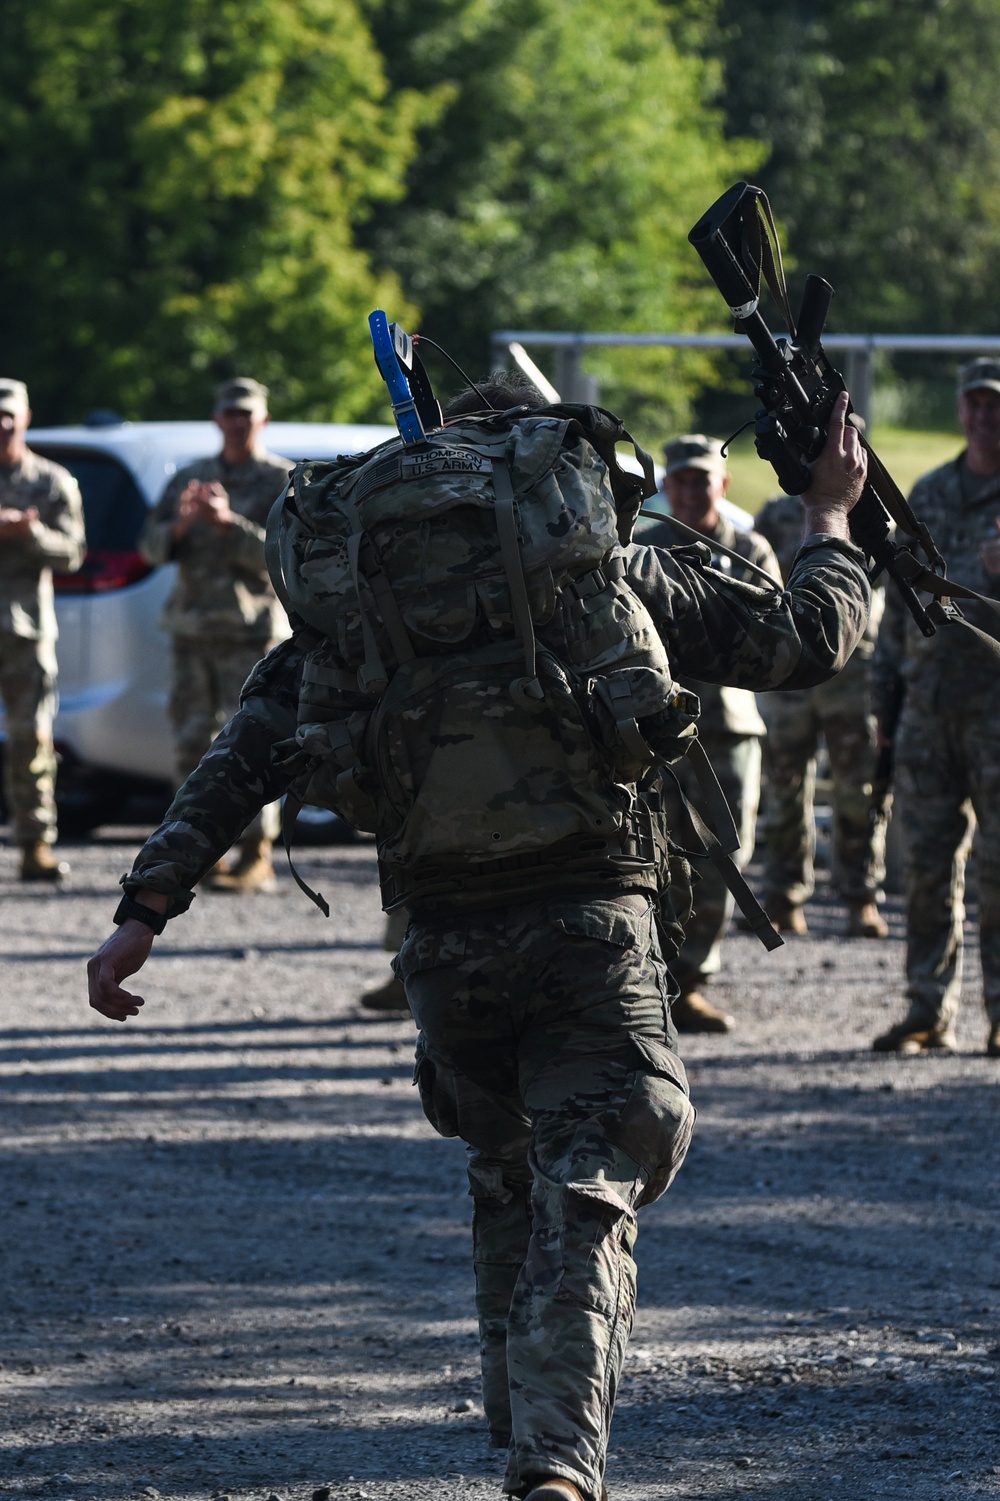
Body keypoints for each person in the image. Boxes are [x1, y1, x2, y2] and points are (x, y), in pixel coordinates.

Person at [88, 388, 870, 1501]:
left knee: (505, 1163)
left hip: (440, 936)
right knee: (594, 1175)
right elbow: (807, 641)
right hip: (588, 920)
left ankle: (518, 1417)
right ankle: (554, 1461)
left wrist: (142, 911)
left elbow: (246, 748)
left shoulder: (364, 593)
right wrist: (830, 514)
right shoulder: (598, 569)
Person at [872, 357, 1000, 1058]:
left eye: (995, 405)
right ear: (960, 411)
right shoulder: (927, 493)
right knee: (925, 868)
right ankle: (927, 1008)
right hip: (927, 711)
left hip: (996, 714)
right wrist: (884, 712)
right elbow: (897, 613)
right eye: (975, 404)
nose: (984, 416)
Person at [640, 435, 779, 1032]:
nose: (692, 490)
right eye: (682, 481)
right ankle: (649, 981)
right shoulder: (641, 552)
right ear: (666, 487)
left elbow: (772, 628)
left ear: (722, 486)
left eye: (703, 480)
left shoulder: (748, 549)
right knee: (651, 856)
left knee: (722, 856)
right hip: (657, 732)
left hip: (727, 726)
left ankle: (692, 982)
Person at [138, 377, 292, 893]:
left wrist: (230, 524)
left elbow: (286, 554)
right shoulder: (191, 477)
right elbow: (150, 548)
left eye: (247, 414)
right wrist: (182, 525)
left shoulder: (280, 480)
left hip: (249, 635)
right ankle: (193, 854)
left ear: (263, 420)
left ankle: (256, 854)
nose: (237, 421)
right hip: (191, 630)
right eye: (229, 413)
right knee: (190, 742)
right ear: (217, 418)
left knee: (254, 745)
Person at [754, 487, 888, 937]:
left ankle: (860, 895)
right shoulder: (774, 515)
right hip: (790, 669)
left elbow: (887, 573)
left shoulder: (872, 509)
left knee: (859, 787)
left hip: (851, 670)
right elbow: (761, 577)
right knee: (784, 784)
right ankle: (784, 894)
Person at [0, 378, 85, 879]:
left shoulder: (52, 482)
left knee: (31, 738)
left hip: (25, 629)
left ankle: (35, 844)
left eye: (10, 415)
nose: (3, 424)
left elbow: (73, 552)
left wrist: (29, 532)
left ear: (26, 418)